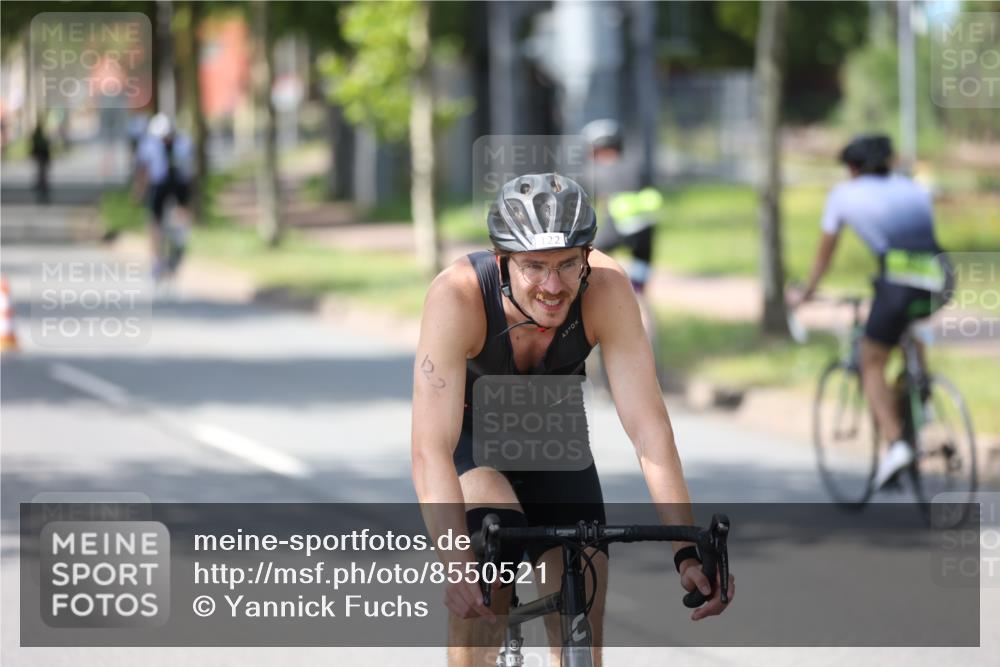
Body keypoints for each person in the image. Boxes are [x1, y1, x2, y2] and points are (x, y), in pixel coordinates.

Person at [411, 173, 733, 667]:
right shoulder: (458, 297)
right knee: (487, 573)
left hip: (554, 440)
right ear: (502, 261)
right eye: (534, 266)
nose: (553, 285)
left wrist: (686, 550)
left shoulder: (606, 289)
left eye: (567, 264)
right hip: (474, 444)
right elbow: (430, 447)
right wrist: (456, 563)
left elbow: (649, 429)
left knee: (582, 609)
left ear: (587, 256)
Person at [790, 134, 949, 489]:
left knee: (871, 361)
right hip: (940, 278)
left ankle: (896, 445)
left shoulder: (843, 195)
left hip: (898, 283)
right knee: (908, 327)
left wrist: (805, 293)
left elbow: (824, 256)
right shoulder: (912, 188)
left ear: (852, 168)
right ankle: (919, 389)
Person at [132, 113, 194, 280]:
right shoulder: (151, 145)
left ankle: (177, 245)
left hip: (176, 183)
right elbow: (143, 169)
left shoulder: (182, 143)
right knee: (155, 221)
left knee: (178, 217)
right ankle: (157, 259)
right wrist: (139, 190)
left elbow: (190, 171)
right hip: (159, 184)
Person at [30, 118, 51, 204]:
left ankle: (42, 186)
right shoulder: (40, 137)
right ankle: (42, 186)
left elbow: (34, 146)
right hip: (43, 156)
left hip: (41, 156)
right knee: (42, 172)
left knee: (41, 172)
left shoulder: (37, 136)